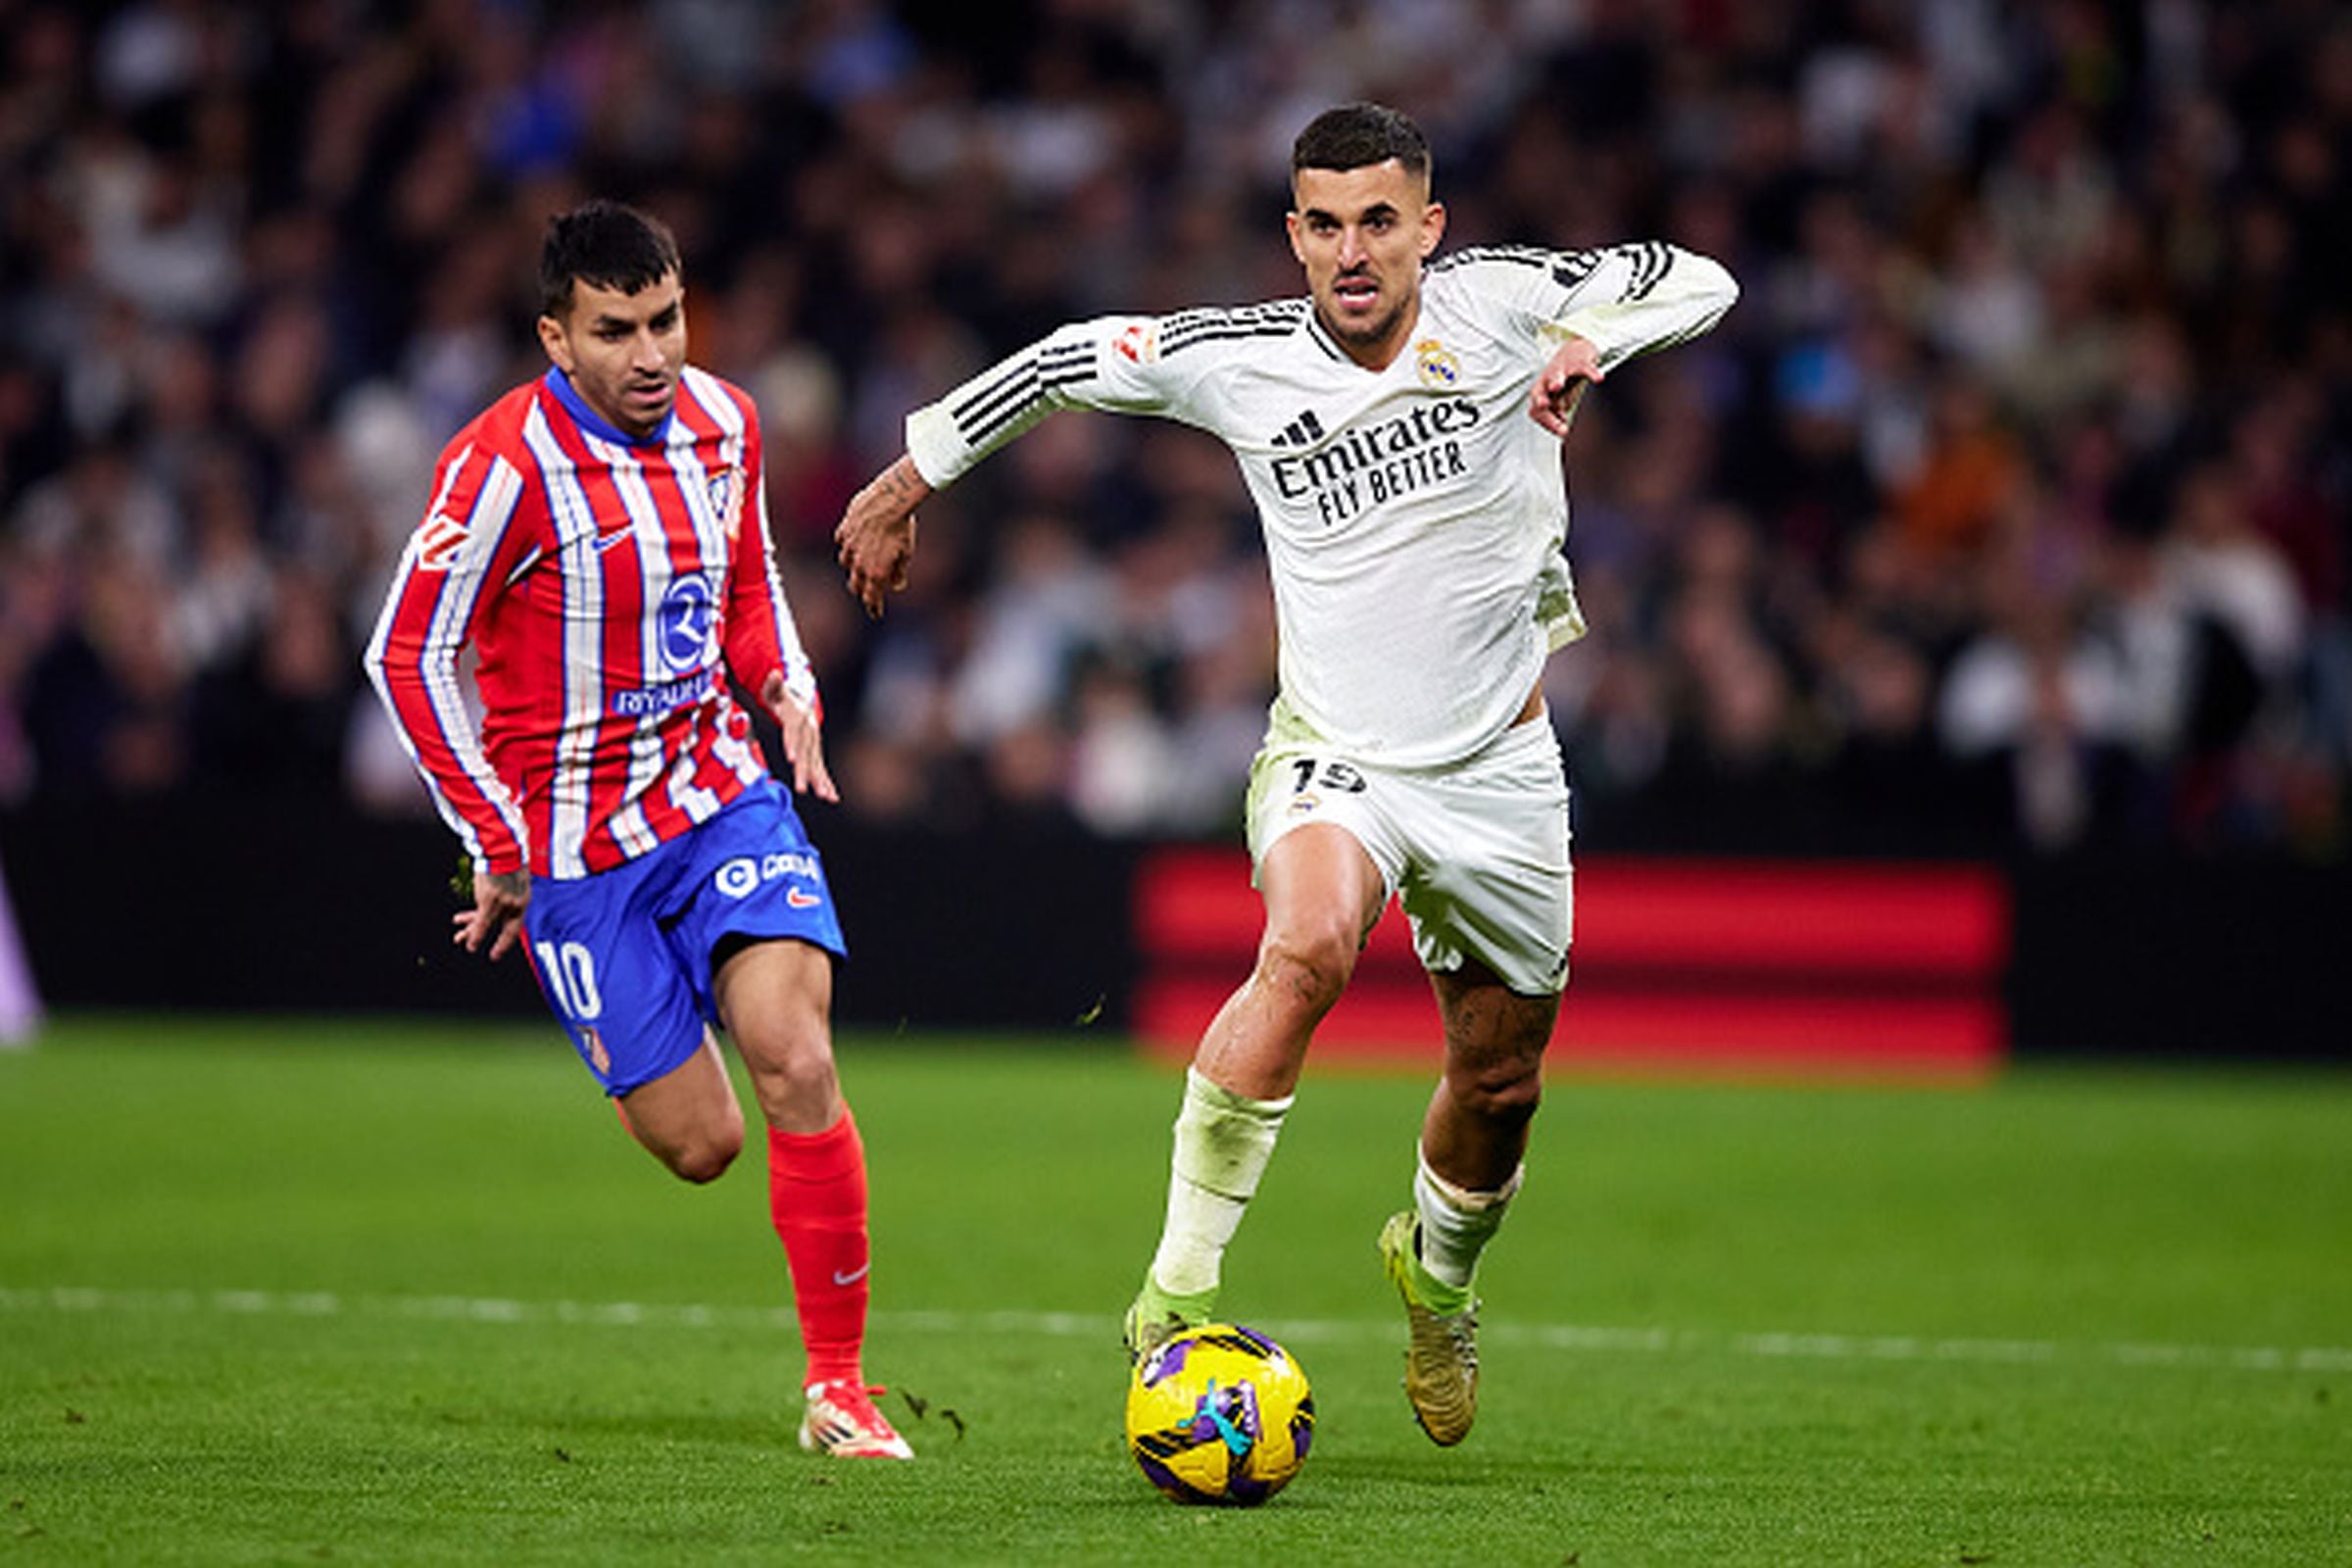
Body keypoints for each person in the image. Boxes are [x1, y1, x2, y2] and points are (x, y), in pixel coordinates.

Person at [838, 103, 1737, 1447]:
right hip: (1336, 758)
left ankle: (1435, 1281)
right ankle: (1174, 1295)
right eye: (1326, 223)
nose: (1354, 249)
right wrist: (911, 476)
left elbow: (1700, 276)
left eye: (1381, 220)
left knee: (1499, 1085)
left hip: (1499, 771)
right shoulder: (1240, 357)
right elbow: (1074, 360)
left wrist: (1587, 338)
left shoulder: (1501, 303)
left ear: (1428, 227)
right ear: (1295, 236)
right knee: (1306, 944)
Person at [365, 201, 909, 1460]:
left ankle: (841, 1387)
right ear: (557, 337)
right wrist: (495, 839)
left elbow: (746, 575)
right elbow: (406, 652)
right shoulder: (500, 468)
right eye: (617, 331)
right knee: (705, 1145)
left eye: (666, 319)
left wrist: (784, 682)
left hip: (718, 790)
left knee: (798, 1056)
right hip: (573, 849)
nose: (653, 353)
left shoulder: (727, 420)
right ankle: (632, 1008)